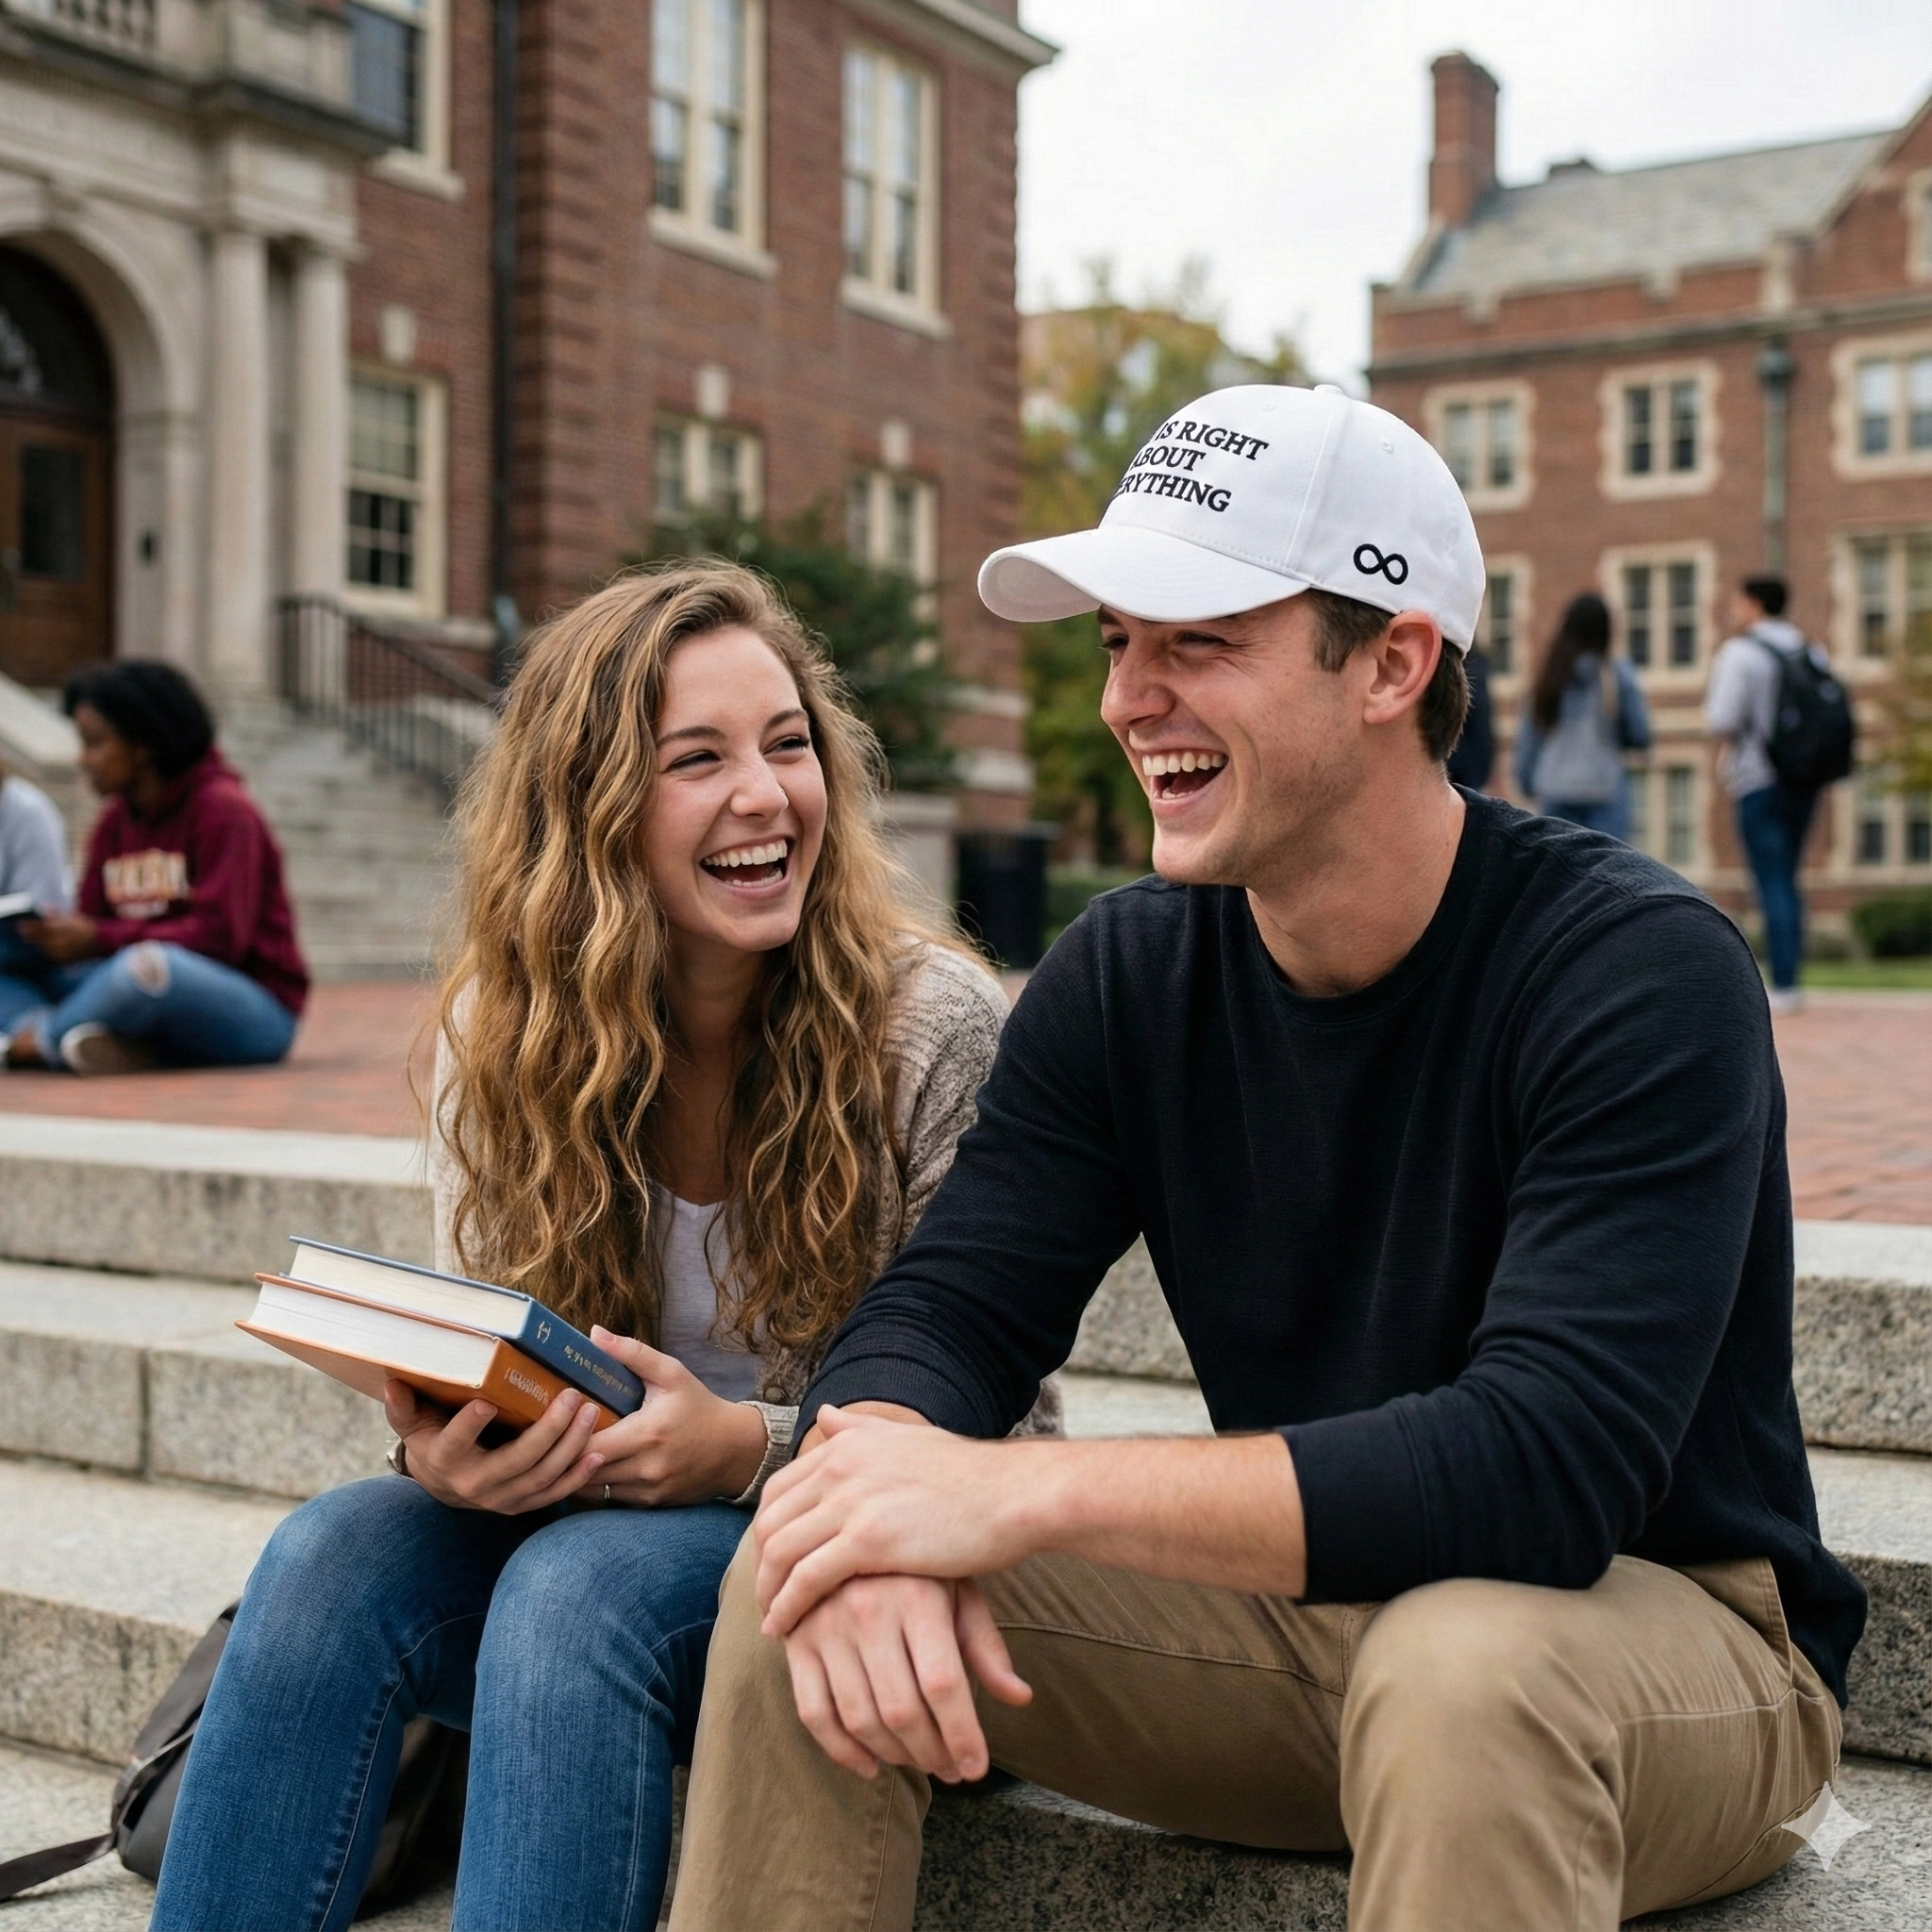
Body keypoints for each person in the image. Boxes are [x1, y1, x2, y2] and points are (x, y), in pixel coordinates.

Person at [665, 387, 1863, 1932]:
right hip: (1313, 1628)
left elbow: (1541, 1469)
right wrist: (880, 1482)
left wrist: (1014, 1497)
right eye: (1115, 643)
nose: (1128, 698)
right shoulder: (1128, 970)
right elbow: (949, 1308)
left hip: (1666, 1655)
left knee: (1461, 1668)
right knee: (804, 1566)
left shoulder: (1633, 970)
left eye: (1197, 640)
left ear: (1390, 661)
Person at [150, 562, 1044, 1932]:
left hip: (844, 1567)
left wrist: (740, 1446)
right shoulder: (500, 1044)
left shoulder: (930, 1027)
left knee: (585, 1588)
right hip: (590, 1533)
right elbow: (494, 1347)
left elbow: (1009, 1446)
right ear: (592, 808)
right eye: (699, 759)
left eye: (788, 743)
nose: (767, 795)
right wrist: (445, 1453)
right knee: (333, 1553)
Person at [0, 661, 308, 1074]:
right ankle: (100, 1044)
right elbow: (93, 925)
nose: (83, 759)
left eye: (95, 742)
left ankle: (38, 1040)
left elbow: (221, 938)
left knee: (150, 968)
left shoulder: (224, 810)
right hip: (137, 989)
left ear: (141, 745)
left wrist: (99, 938)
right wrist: (57, 937)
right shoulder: (113, 824)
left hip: (251, 1010)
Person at [1707, 575, 1820, 1014]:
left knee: (1771, 879)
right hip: (1803, 780)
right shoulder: (1810, 650)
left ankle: (1785, 983)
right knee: (1788, 878)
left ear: (1753, 605)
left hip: (1758, 780)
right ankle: (1793, 974)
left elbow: (1722, 717)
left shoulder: (1742, 653)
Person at [1513, 590, 1651, 838]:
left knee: (1557, 873)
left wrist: (1526, 782)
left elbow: (1529, 738)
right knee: (1609, 874)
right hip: (1604, 790)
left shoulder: (1549, 677)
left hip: (1556, 790)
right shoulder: (1617, 675)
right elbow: (1640, 734)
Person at [0, 760, 74, 1027]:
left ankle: (46, 1033)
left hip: (30, 948)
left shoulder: (27, 809)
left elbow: (43, 904)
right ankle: (42, 1032)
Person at [1443, 638, 1492, 791]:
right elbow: (1482, 716)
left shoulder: (1472, 662)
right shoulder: (1474, 661)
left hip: (1455, 761)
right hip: (1466, 764)